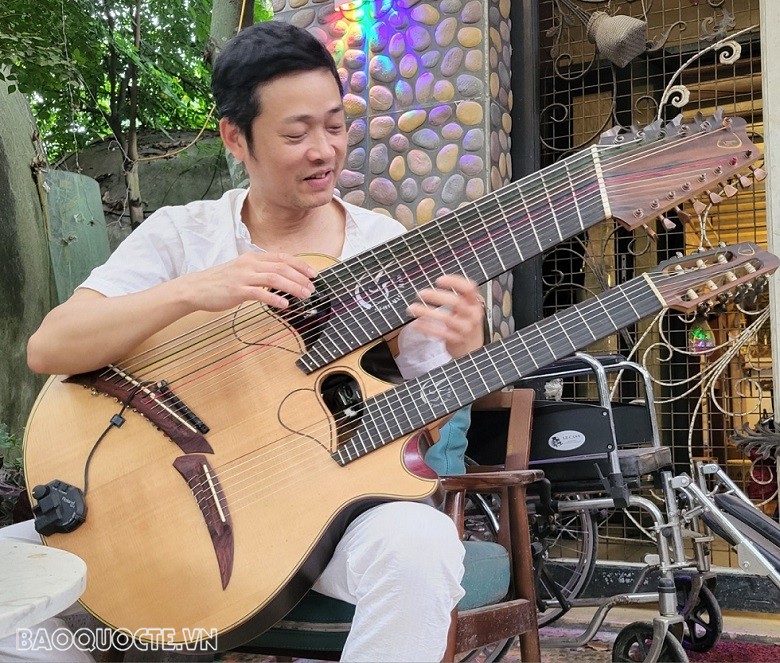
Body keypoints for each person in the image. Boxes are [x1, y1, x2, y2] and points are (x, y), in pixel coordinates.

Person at [4, 20, 486, 663]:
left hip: (332, 514)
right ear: (236, 136)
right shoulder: (183, 235)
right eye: (296, 133)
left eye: (335, 125)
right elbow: (51, 348)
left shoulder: (385, 251)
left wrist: (465, 352)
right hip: (169, 510)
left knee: (421, 546)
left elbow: (425, 422)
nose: (324, 150)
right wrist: (193, 291)